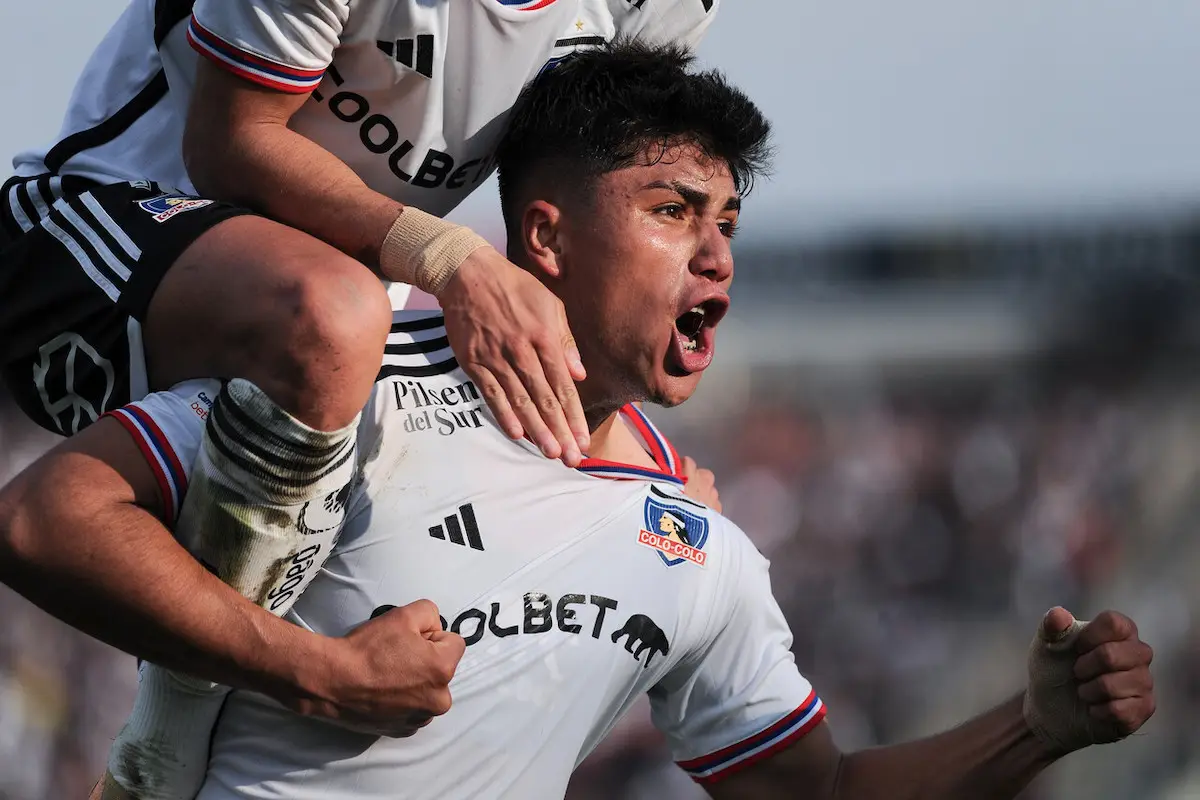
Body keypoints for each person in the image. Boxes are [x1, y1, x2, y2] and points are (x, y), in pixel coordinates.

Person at [4, 42, 1154, 800]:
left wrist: (1037, 725)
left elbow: (823, 792)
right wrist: (319, 672)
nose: (716, 255)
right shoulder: (351, 369)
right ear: (544, 238)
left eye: (730, 224)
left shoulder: (693, 538)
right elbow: (43, 520)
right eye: (672, 210)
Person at [0, 0, 721, 756]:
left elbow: (599, 207)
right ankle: (167, 739)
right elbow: (231, 141)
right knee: (333, 317)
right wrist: (451, 261)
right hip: (99, 236)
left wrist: (639, 467)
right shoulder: (352, 300)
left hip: (347, 303)